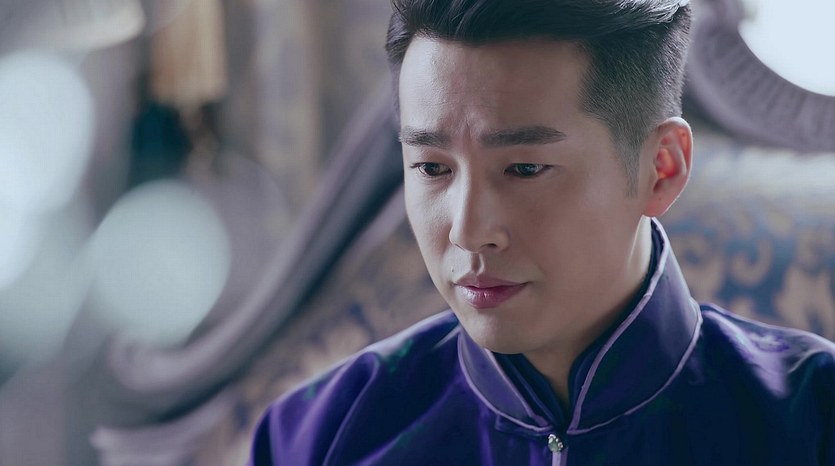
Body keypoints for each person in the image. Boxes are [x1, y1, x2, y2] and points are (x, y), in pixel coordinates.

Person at [249, 0, 835, 464]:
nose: (469, 232)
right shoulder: (319, 433)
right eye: (431, 168)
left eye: (524, 169)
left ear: (661, 168)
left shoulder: (812, 418)